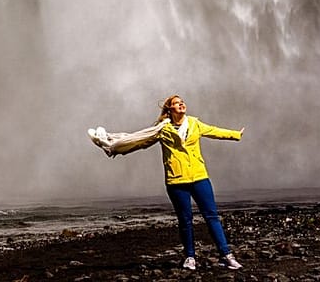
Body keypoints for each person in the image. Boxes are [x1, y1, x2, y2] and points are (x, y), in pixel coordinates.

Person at [88, 95, 244, 271]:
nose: (182, 104)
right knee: (185, 220)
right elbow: (141, 141)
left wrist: (235, 134)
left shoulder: (194, 123)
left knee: (212, 217)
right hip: (176, 180)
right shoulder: (162, 129)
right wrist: (118, 148)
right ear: (169, 109)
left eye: (182, 102)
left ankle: (226, 255)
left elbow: (214, 131)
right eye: (177, 103)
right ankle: (190, 257)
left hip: (199, 177)